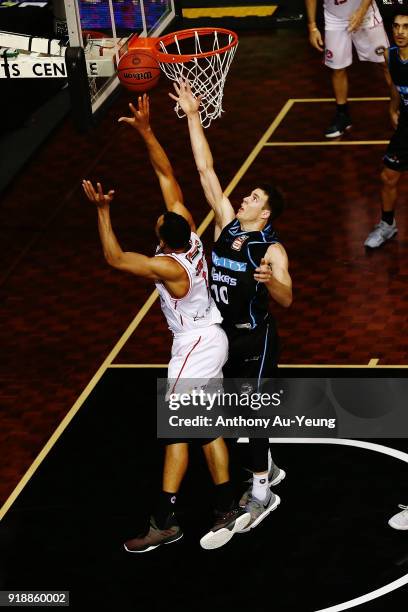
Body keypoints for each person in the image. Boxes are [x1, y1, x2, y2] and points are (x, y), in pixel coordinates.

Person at [82, 95, 250, 551]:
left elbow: (116, 259)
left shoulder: (169, 267)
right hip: (210, 335)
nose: (162, 212)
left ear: (161, 239)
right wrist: (147, 132)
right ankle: (226, 505)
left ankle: (164, 519)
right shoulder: (188, 230)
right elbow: (166, 175)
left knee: (177, 429)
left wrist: (103, 212)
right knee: (207, 428)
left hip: (194, 344)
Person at [169, 80, 293, 532]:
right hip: (224, 336)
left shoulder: (272, 249)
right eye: (248, 194)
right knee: (238, 414)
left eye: (255, 198)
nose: (245, 197)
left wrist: (269, 282)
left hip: (256, 337)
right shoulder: (225, 223)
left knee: (253, 411)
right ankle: (269, 470)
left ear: (266, 215)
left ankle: (263, 492)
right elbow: (205, 170)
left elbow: (288, 297)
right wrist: (194, 115)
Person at [305, 0, 389, 137]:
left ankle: (403, 108)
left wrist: (361, 11)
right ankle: (342, 115)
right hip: (335, 17)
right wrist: (312, 27)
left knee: (385, 62)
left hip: (366, 13)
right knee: (337, 68)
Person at [365, 8, 408, 248]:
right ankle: (387, 225)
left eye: (406, 27)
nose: (400, 32)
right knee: (388, 176)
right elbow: (395, 86)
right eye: (396, 26)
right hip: (406, 126)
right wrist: (393, 108)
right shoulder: (391, 56)